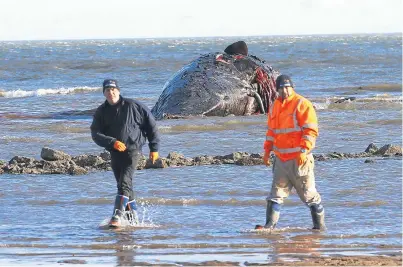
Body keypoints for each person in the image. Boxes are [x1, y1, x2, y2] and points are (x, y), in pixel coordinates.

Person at [255, 75, 325, 231]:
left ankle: (319, 227)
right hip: (281, 159)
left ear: (292, 88)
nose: (285, 91)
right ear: (277, 89)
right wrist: (267, 151)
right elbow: (271, 132)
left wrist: (304, 150)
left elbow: (311, 131)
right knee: (275, 194)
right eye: (281, 88)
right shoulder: (275, 106)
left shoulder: (302, 104)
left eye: (287, 87)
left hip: (300, 159)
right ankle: (269, 226)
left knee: (309, 195)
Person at [90, 79, 160, 228]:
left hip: (133, 151)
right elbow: (95, 133)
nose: (111, 92)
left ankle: (116, 216)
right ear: (104, 93)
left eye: (113, 89)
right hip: (115, 152)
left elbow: (151, 125)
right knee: (124, 186)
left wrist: (154, 148)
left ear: (119, 91)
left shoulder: (133, 106)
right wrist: (112, 142)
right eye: (107, 90)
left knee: (124, 183)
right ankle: (133, 219)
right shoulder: (101, 111)